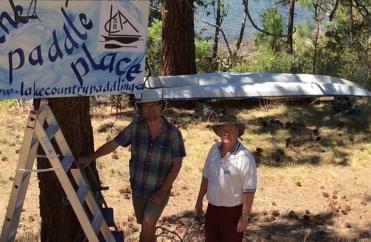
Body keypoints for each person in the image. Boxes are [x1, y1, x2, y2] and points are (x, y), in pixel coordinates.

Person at [79, 89, 186, 242]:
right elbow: (114, 144)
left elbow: (177, 164)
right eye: (146, 106)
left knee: (148, 223)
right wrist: (91, 157)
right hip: (138, 188)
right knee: (146, 225)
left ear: (161, 106)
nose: (150, 109)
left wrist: (163, 191)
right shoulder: (136, 127)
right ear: (141, 109)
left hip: (159, 188)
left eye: (154, 105)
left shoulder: (173, 133)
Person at [195, 114, 257, 242]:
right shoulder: (213, 150)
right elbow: (206, 177)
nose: (226, 133)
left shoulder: (245, 157)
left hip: (233, 213)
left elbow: (249, 191)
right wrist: (199, 199)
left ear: (238, 132)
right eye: (223, 129)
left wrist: (244, 217)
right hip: (212, 209)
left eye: (231, 129)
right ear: (219, 132)